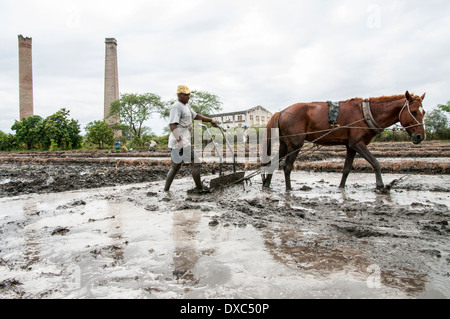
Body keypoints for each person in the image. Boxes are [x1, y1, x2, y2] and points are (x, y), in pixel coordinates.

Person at [164, 85, 218, 192]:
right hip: (179, 140)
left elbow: (197, 116)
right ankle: (199, 188)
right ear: (179, 95)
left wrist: (210, 120)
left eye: (189, 94)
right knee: (196, 163)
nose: (188, 97)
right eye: (185, 95)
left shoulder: (186, 106)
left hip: (183, 140)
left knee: (176, 167)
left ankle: (166, 190)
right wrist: (180, 142)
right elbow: (173, 125)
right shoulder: (176, 106)